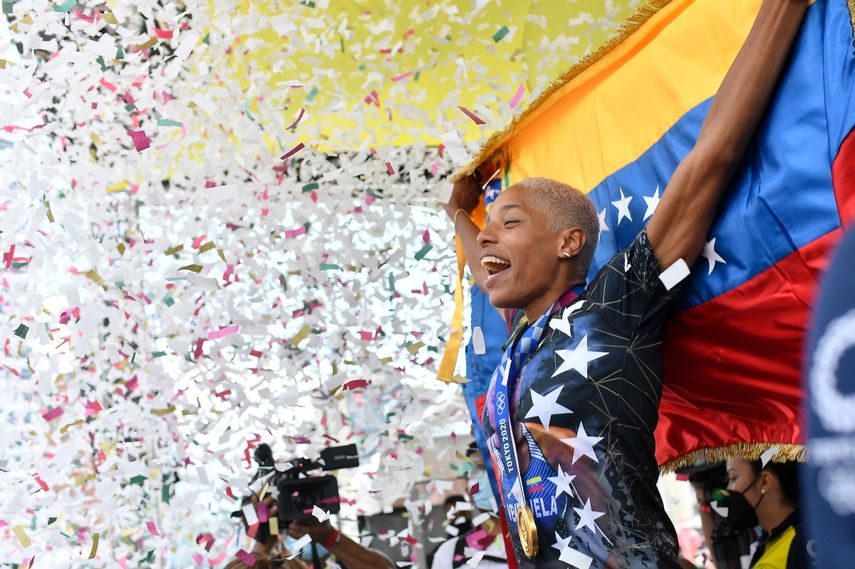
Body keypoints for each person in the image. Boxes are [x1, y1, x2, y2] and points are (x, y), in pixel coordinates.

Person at [442, 1, 808, 567]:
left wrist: (784, 7)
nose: (488, 238)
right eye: (489, 229)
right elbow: (485, 261)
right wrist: (458, 214)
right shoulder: (523, 343)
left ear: (568, 242)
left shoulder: (612, 308)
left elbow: (709, 160)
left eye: (510, 222)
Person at [713, 456, 814, 568]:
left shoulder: (804, 544)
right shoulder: (766, 542)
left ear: (764, 482)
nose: (728, 489)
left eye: (733, 478)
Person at [432, 445, 508, 569]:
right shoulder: (448, 554)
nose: (487, 478)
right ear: (468, 490)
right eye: (476, 471)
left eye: (494, 468)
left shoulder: (533, 542)